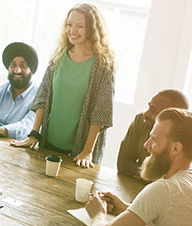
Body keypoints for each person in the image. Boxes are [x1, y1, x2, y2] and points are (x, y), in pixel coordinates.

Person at [11, 3, 115, 168]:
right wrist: (34, 135)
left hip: (79, 152)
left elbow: (100, 113)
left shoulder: (103, 65)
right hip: (48, 142)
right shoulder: (58, 56)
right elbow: (43, 97)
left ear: (92, 29)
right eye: (69, 25)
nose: (72, 30)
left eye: (80, 26)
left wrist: (88, 151)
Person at [118, 89, 192, 178]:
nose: (146, 114)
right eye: (149, 107)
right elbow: (123, 163)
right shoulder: (141, 121)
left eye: (153, 110)